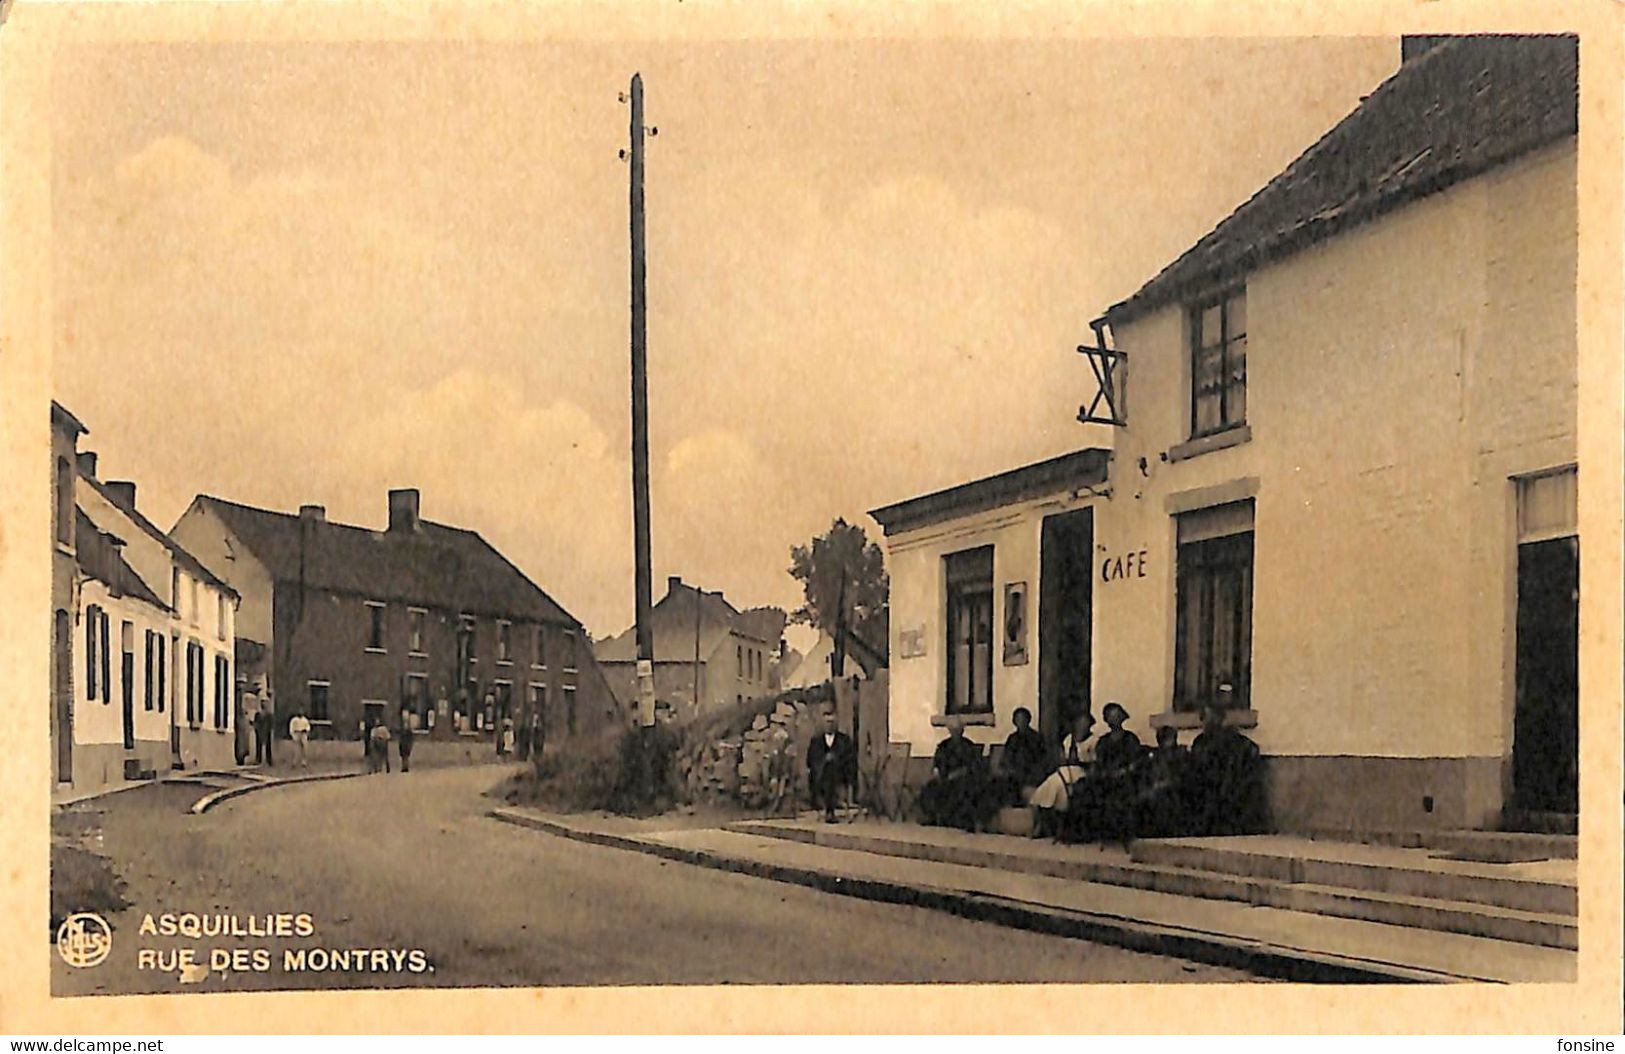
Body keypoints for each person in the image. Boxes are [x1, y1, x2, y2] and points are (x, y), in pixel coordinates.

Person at [1188, 694, 1266, 836]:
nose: (1205, 722)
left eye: (1209, 717)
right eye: (1204, 718)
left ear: (1220, 719)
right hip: (1205, 785)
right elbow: (1196, 765)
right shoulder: (1200, 741)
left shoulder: (1230, 740)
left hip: (1224, 786)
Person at [918, 716, 993, 832]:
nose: (955, 732)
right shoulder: (944, 745)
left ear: (962, 731)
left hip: (963, 778)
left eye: (958, 730)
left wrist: (959, 772)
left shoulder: (968, 746)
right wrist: (937, 771)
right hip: (945, 777)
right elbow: (938, 762)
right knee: (930, 788)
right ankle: (933, 817)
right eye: (953, 730)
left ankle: (956, 820)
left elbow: (973, 765)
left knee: (960, 789)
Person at [1029, 711, 1096, 839]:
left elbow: (1093, 764)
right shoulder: (1069, 739)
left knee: (1062, 787)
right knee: (1048, 785)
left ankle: (1062, 826)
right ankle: (1040, 824)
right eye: (1079, 723)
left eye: (1085, 723)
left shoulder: (1094, 740)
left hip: (1081, 772)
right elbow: (1062, 758)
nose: (1082, 726)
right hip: (1064, 770)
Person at [1090, 702, 1145, 846]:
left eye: (1116, 715)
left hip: (1127, 779)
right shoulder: (1103, 742)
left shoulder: (1130, 739)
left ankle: (1127, 834)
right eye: (1110, 716)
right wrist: (1105, 773)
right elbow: (1099, 762)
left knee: (1125, 793)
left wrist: (1124, 771)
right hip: (1107, 779)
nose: (1113, 719)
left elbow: (1136, 762)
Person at [805, 704, 857, 823]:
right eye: (827, 722)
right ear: (823, 723)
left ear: (836, 723)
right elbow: (810, 760)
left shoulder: (844, 740)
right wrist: (823, 760)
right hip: (820, 775)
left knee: (831, 769)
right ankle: (829, 810)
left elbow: (850, 758)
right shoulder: (816, 741)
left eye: (832, 722)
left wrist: (835, 759)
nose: (829, 725)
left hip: (840, 774)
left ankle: (830, 811)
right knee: (826, 770)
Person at [1137, 725, 1189, 838]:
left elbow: (1182, 775)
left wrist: (1162, 785)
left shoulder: (1180, 754)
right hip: (1157, 789)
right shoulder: (1155, 756)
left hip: (1175, 789)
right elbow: (1149, 775)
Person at [996, 706, 1050, 804]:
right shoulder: (1012, 738)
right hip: (1015, 771)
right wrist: (1008, 768)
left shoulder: (1036, 738)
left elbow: (1042, 758)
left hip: (1032, 772)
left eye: (1023, 719)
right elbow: (1007, 757)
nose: (1021, 722)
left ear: (1028, 720)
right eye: (1018, 720)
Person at [253, 701, 274, 767]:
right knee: (258, 745)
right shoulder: (258, 714)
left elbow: (271, 723)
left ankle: (269, 760)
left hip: (267, 731)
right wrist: (256, 729)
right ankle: (258, 759)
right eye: (262, 704)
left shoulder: (269, 715)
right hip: (259, 731)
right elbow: (255, 723)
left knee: (268, 746)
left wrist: (270, 729)